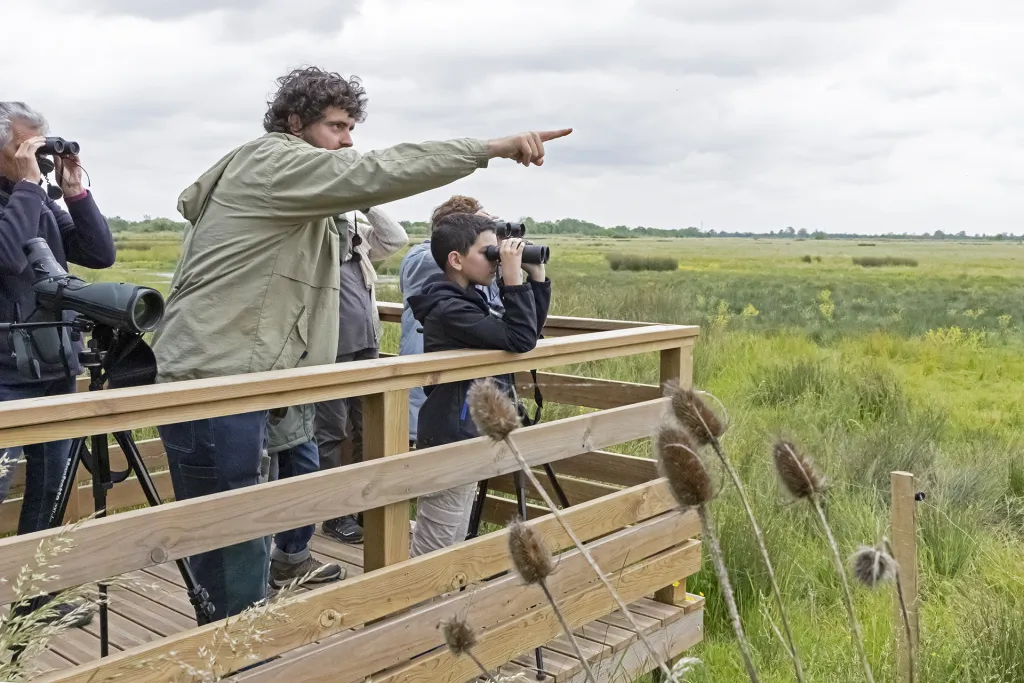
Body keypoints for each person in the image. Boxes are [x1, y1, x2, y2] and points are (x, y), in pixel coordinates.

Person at [151, 65, 571, 620]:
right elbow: (378, 170)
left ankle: (241, 644)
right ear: (294, 123)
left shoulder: (302, 200)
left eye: (352, 128)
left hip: (253, 379)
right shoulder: (272, 162)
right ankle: (231, 655)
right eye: (337, 127)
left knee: (248, 529)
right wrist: (491, 147)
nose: (348, 142)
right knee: (227, 541)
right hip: (215, 379)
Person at [0, 101, 116, 626]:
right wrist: (28, 186)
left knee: (50, 487)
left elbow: (97, 254)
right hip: (4, 373)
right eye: (26, 145)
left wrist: (73, 190)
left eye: (41, 146)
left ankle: (31, 601)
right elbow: (7, 256)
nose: (37, 155)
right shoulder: (22, 199)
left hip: (54, 364)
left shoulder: (37, 200)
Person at [406, 212, 550, 556]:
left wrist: (536, 276)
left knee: (452, 539)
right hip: (451, 435)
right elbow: (519, 338)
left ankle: (435, 603)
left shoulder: (469, 299)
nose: (496, 259)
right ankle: (416, 604)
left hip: (466, 430)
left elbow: (529, 332)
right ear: (456, 260)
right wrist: (512, 279)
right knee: (435, 545)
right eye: (489, 253)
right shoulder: (449, 308)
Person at [317, 206, 408, 545]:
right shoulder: (315, 244)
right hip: (329, 353)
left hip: (366, 347)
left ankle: (361, 507)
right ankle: (332, 515)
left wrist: (366, 203)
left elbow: (395, 237)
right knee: (329, 433)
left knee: (366, 428)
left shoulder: (360, 244)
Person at [398, 196, 501, 447]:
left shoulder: (472, 279)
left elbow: (503, 313)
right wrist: (475, 236)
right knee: (426, 476)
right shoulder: (420, 258)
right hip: (427, 393)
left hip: (464, 401)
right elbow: (443, 255)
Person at [264, 405, 345, 587]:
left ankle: (292, 557)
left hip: (295, 415)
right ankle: (289, 560)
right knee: (291, 481)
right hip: (282, 417)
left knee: (302, 478)